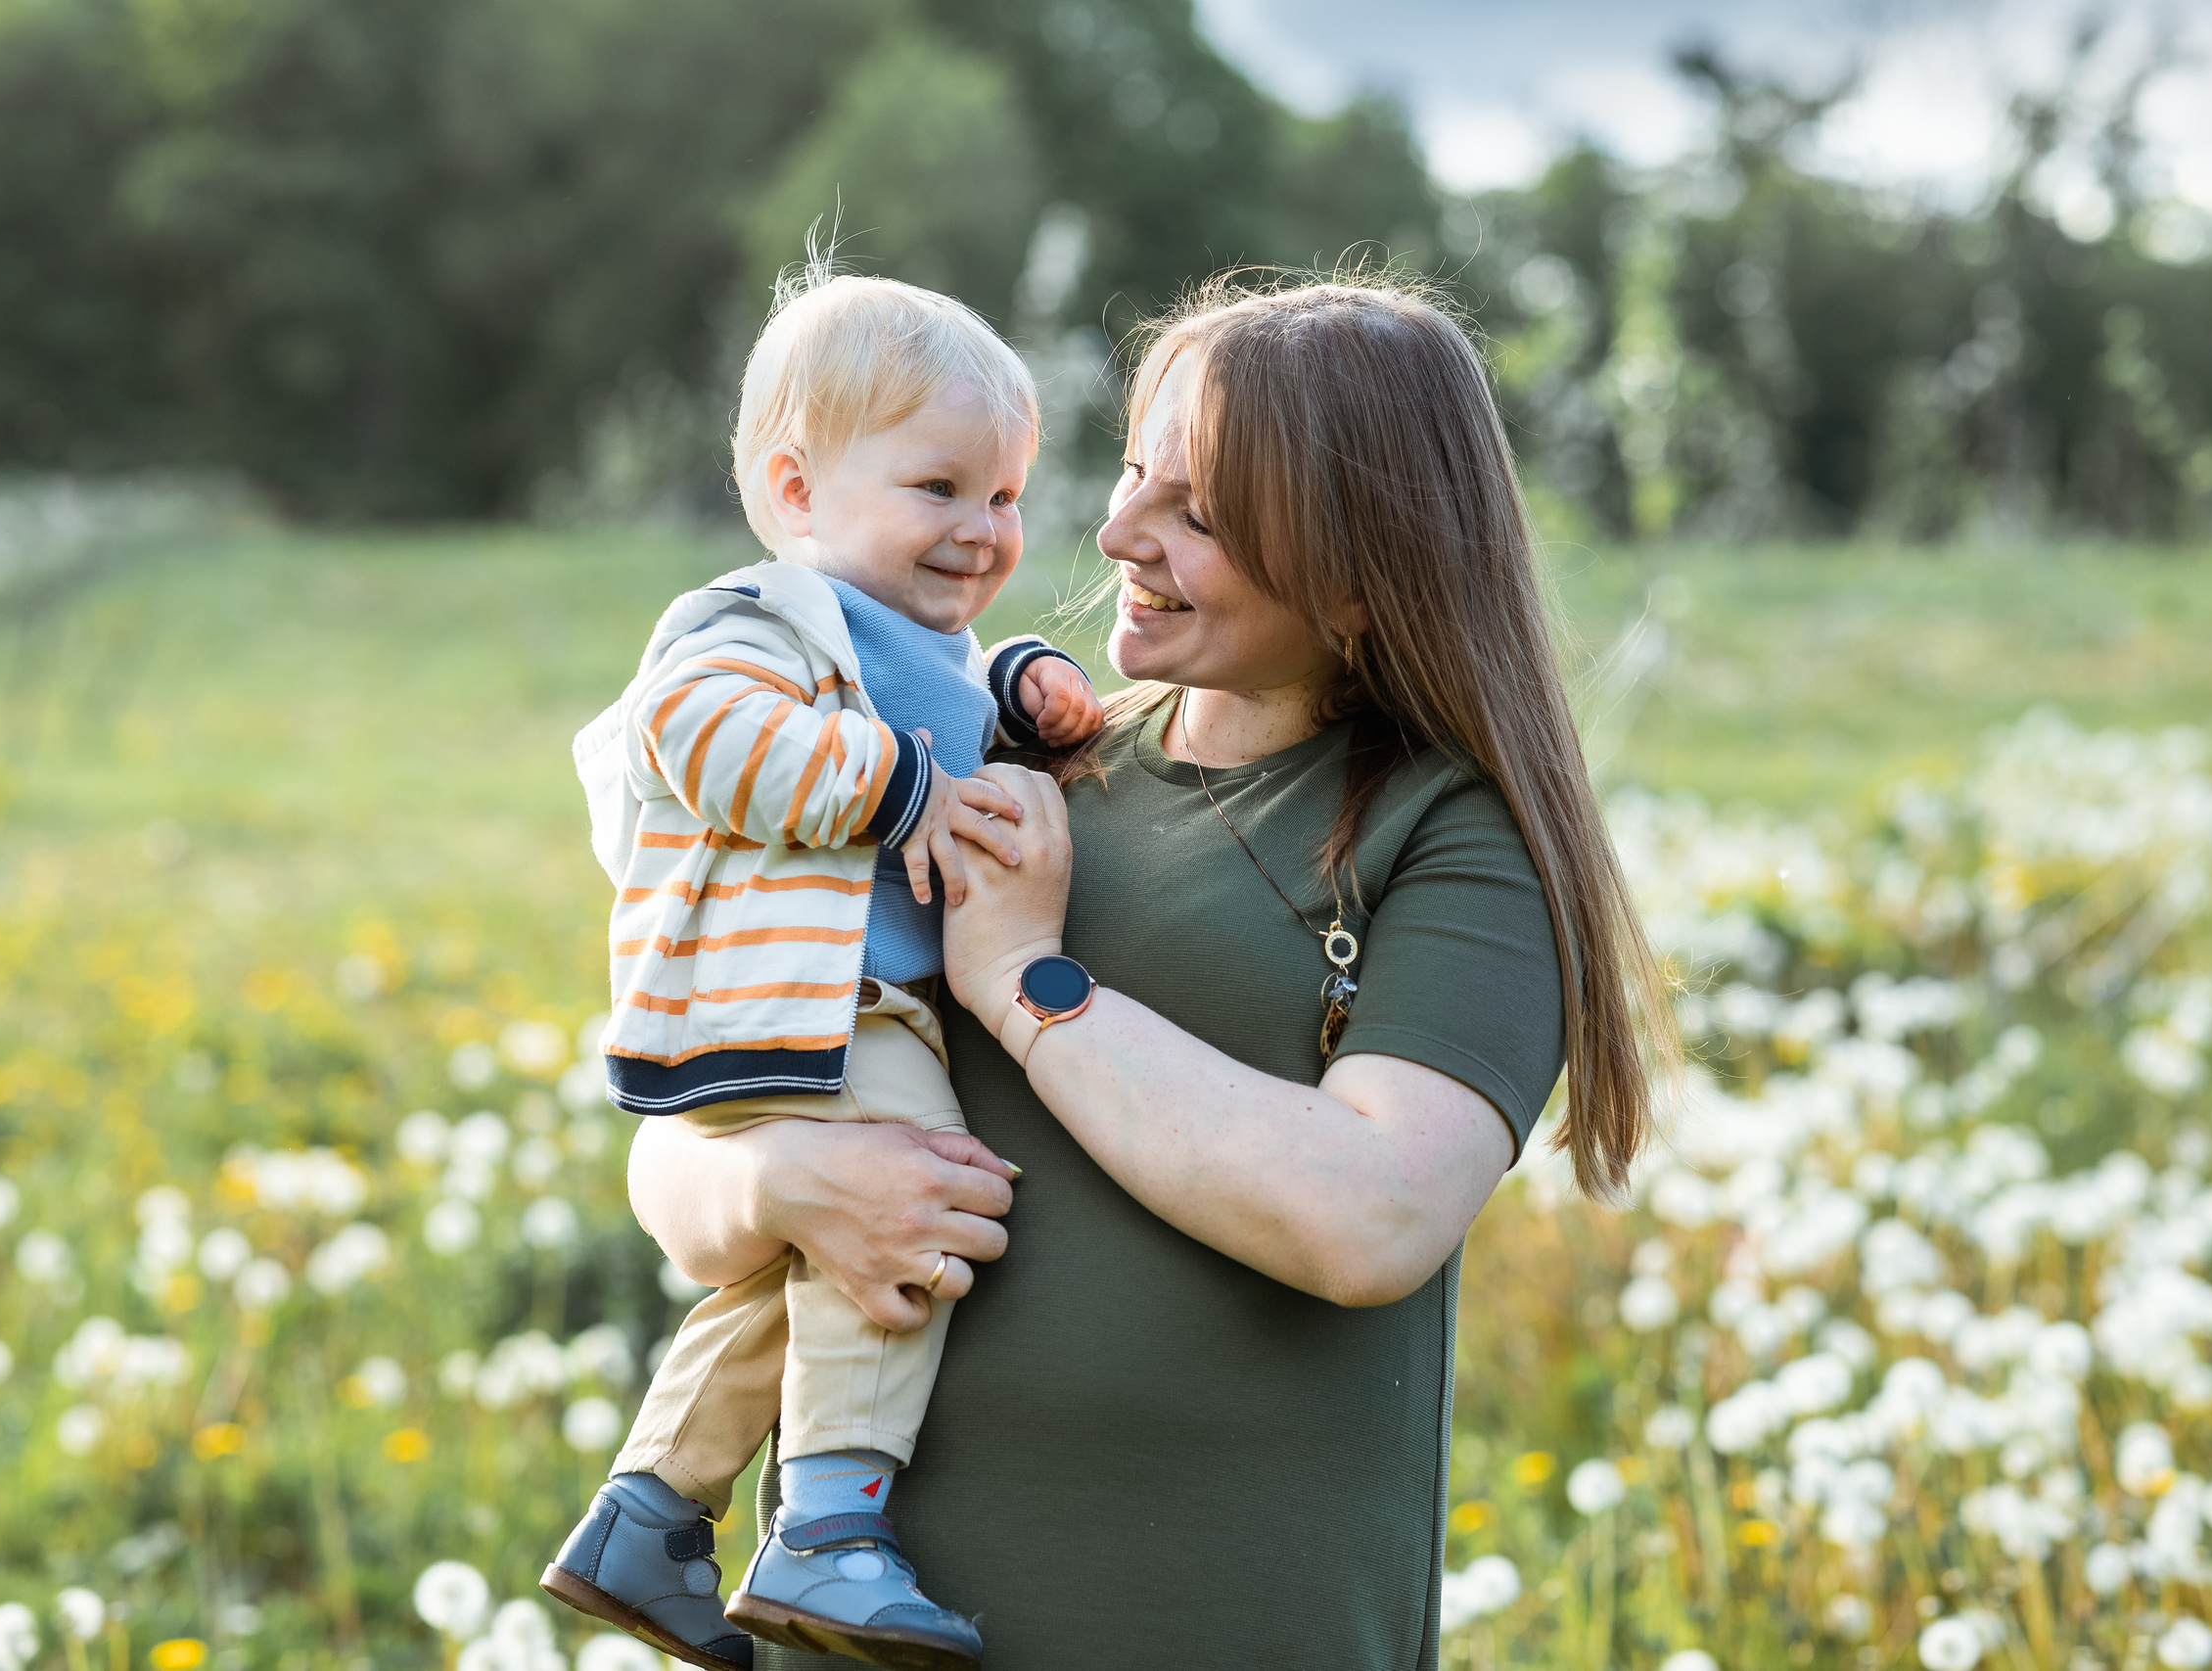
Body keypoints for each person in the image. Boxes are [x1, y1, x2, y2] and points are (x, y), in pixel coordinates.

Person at [625, 274, 1676, 1670]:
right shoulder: (997, 769)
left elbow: (1368, 1216)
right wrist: (767, 1185)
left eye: (1201, 512)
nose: (1116, 531)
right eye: (1132, 473)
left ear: (1366, 570)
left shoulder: (1455, 835)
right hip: (856, 1629)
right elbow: (688, 1139)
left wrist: (1026, 987)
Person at [542, 268, 1101, 1671]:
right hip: (818, 1007)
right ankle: (829, 1532)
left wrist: (1023, 687)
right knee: (915, 1215)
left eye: (1005, 497)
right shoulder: (752, 623)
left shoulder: (911, 645)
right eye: (940, 489)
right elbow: (699, 736)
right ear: (798, 493)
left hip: (830, 1012)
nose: (983, 530)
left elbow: (948, 706)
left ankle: (653, 1512)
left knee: (794, 1269)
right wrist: (902, 787)